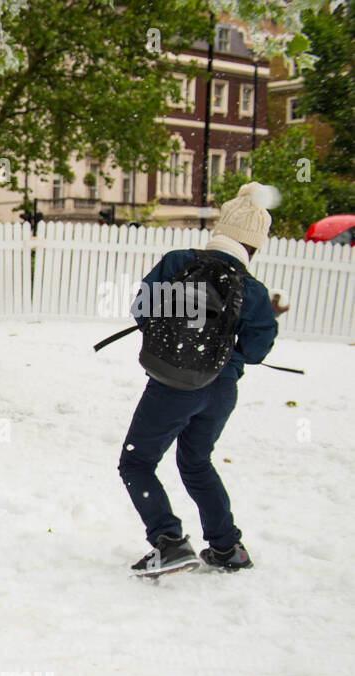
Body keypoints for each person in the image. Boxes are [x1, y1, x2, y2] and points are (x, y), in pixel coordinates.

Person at [120, 182, 285, 575]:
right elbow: (259, 349)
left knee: (137, 463)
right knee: (196, 462)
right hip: (221, 390)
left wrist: (172, 339)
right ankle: (228, 548)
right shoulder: (253, 289)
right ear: (254, 245)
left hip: (173, 384)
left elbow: (140, 307)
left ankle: (168, 540)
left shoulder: (180, 261)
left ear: (220, 231)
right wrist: (226, 357)